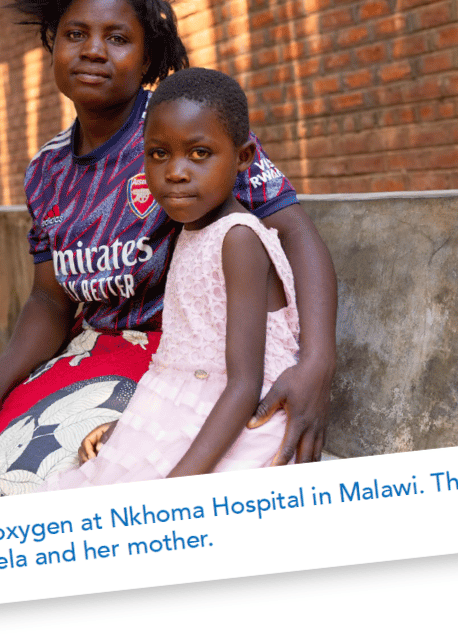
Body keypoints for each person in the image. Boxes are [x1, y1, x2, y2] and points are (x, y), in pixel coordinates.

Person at [0, 0, 336, 505]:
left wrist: (318, 363)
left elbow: (296, 233)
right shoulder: (46, 172)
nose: (94, 51)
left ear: (148, 55)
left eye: (119, 38)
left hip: (174, 362)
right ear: (52, 44)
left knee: (29, 480)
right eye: (75, 34)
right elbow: (50, 301)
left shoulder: (185, 130)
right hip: (87, 353)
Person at [44, 67, 298, 489]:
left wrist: (175, 487)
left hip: (242, 424)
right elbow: (185, 364)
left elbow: (244, 386)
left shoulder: (238, 239)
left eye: (199, 153)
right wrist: (133, 431)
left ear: (243, 157)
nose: (176, 172)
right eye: (159, 154)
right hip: (188, 408)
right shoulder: (190, 229)